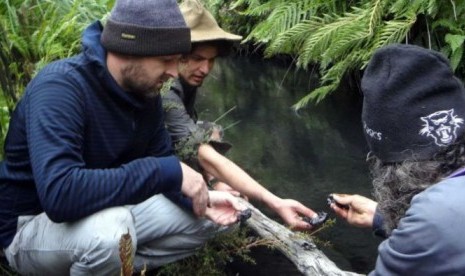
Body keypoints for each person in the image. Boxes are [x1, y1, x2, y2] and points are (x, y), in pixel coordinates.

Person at [0, 0, 247, 275]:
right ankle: (107, 259)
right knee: (112, 232)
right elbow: (61, 196)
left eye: (177, 60)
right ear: (129, 50)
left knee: (214, 218)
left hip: (106, 212)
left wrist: (203, 198)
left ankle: (113, 265)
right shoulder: (59, 88)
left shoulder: (146, 93)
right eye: (165, 60)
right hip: (29, 228)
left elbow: (160, 160)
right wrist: (164, 170)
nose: (174, 73)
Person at [163, 0, 316, 231]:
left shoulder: (185, 80)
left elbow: (190, 134)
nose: (206, 69)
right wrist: (274, 201)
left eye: (211, 59)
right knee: (221, 224)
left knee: (212, 130)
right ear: (175, 54)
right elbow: (199, 152)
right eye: (197, 58)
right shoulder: (166, 91)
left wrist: (216, 181)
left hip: (166, 155)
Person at [329, 44, 465, 275]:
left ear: (395, 168)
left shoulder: (435, 218)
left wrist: (415, 228)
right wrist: (382, 218)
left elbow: (442, 223)